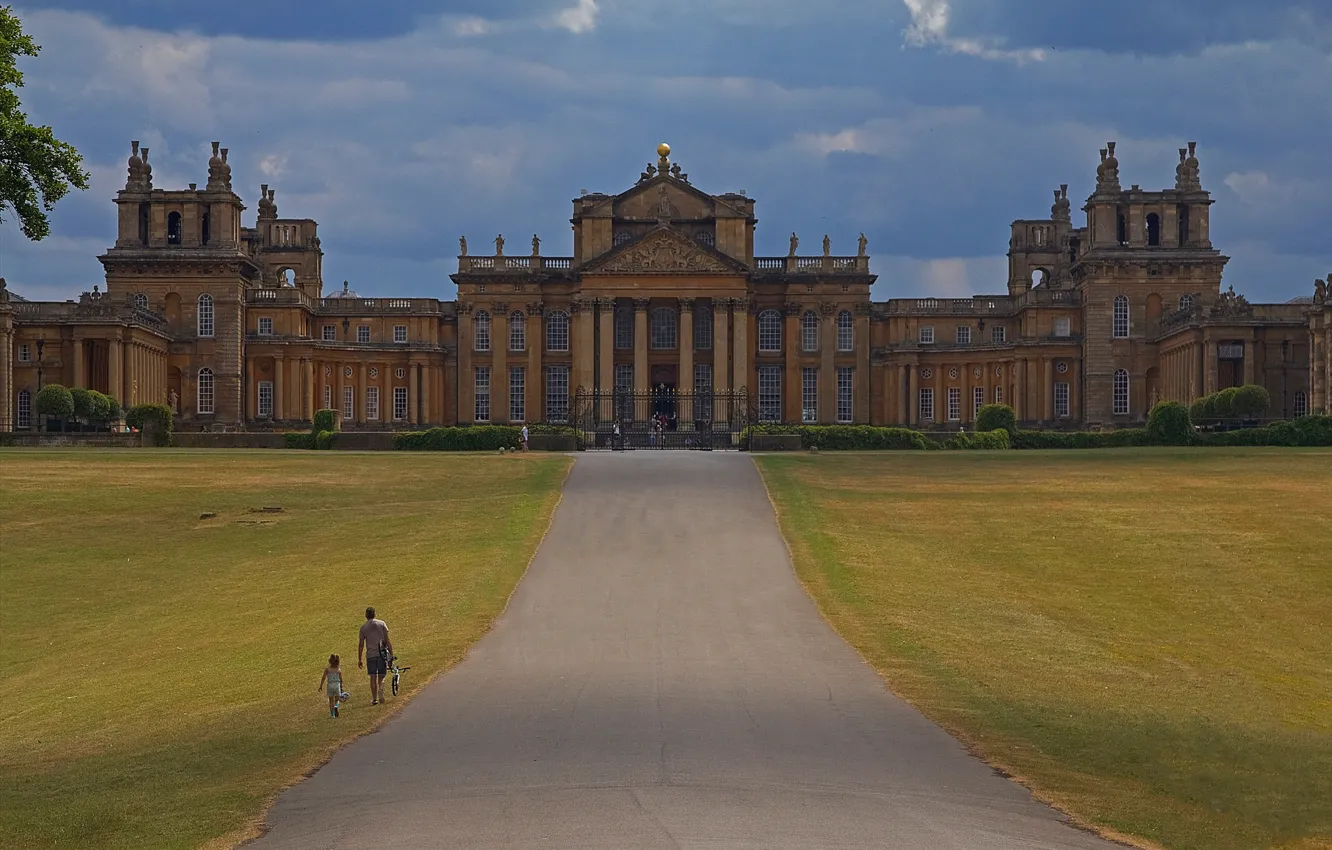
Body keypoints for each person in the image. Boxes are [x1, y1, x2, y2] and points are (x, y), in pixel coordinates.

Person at [358, 607, 393, 705]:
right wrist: (391, 653)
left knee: (372, 677)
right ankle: (381, 687)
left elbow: (361, 644)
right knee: (381, 675)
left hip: (370, 655)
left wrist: (360, 658)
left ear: (366, 615)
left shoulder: (363, 628)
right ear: (374, 614)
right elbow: (387, 640)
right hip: (381, 653)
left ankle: (374, 699)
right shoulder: (382, 624)